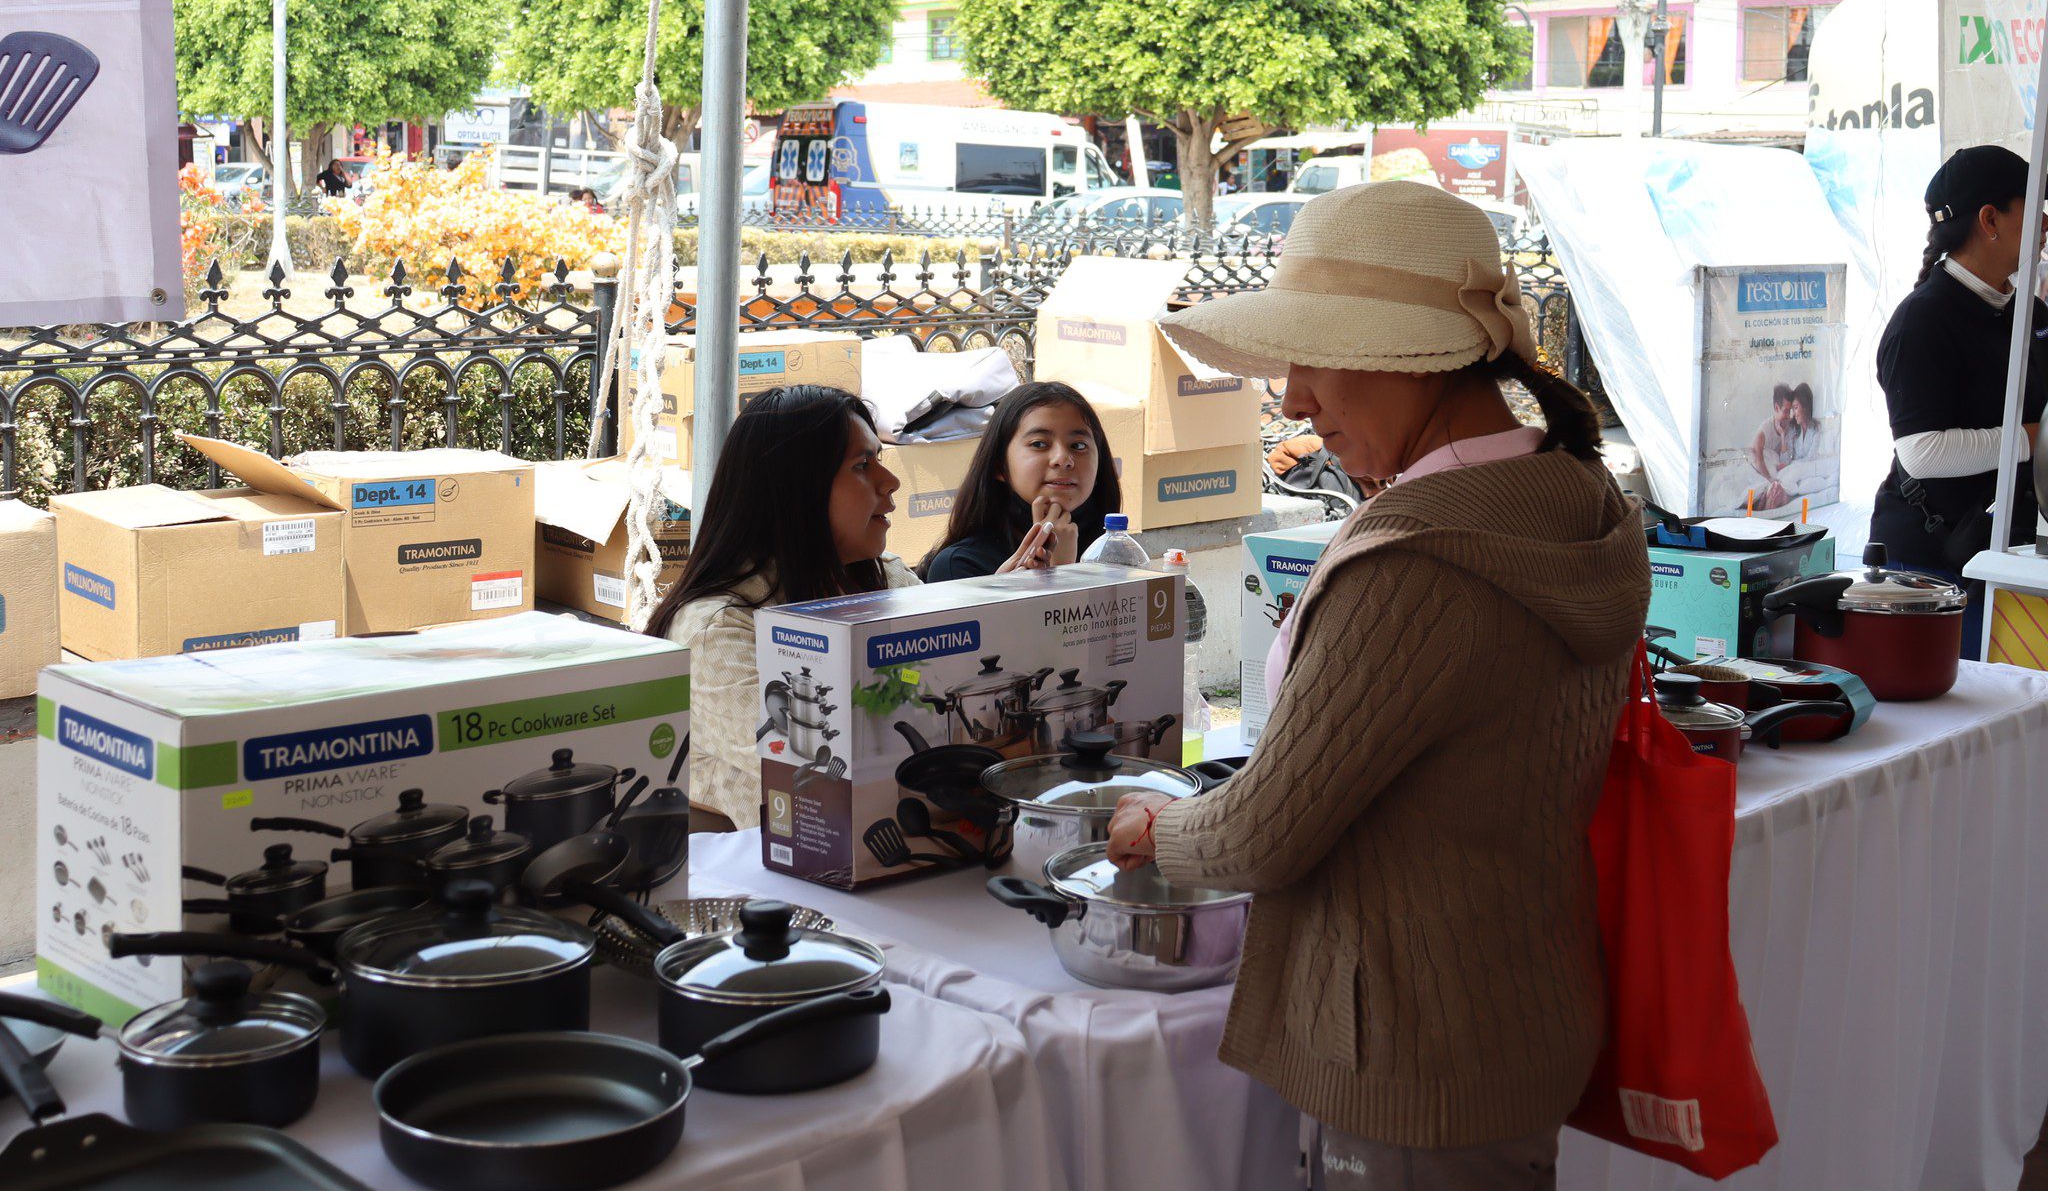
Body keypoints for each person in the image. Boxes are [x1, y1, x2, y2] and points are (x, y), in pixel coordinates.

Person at [1102, 180, 1650, 1190]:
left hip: (1412, 1047)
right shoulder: (1573, 494)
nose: (1294, 398)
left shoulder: (1420, 561)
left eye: (1317, 357)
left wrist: (1148, 827)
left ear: (1420, 363)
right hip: (1517, 1000)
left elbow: (1261, 835)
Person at [644, 384, 1053, 829]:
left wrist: (1001, 610)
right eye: (862, 465)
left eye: (879, 459)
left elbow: (931, 681)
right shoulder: (718, 630)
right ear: (796, 491)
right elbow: (818, 768)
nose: (890, 482)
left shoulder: (882, 576)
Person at [1871, 145, 2048, 653]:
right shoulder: (1922, 320)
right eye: (2035, 209)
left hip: (2005, 551)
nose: (2045, 224)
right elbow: (1921, 452)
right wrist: (2029, 441)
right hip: (1930, 567)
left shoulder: (2029, 314)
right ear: (1990, 219)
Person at [920, 381, 1120, 581]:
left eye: (1078, 445)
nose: (1062, 459)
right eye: (1039, 444)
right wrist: (1061, 572)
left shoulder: (1117, 557)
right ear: (999, 465)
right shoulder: (959, 567)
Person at [1748, 383, 1797, 509]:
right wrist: (1769, 479)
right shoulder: (1765, 429)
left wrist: (1782, 436)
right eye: (1786, 411)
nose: (1789, 416)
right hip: (1760, 468)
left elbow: (1787, 460)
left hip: (1776, 468)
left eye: (1791, 411)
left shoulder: (1789, 428)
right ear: (1776, 407)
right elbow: (1756, 456)